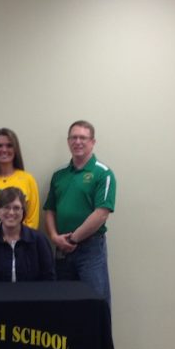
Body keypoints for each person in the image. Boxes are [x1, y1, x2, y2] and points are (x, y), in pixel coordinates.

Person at [44, 120, 116, 305]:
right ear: (68, 141)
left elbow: (101, 214)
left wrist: (73, 239)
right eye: (74, 137)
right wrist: (54, 237)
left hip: (90, 250)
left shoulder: (103, 173)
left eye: (83, 137)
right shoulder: (59, 175)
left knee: (95, 303)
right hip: (62, 249)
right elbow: (50, 210)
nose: (78, 142)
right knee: (63, 303)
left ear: (93, 142)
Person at [0, 187, 55, 282]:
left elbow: (49, 278)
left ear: (23, 211)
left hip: (32, 295)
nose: (11, 212)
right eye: (6, 207)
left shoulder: (39, 240)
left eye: (16, 208)